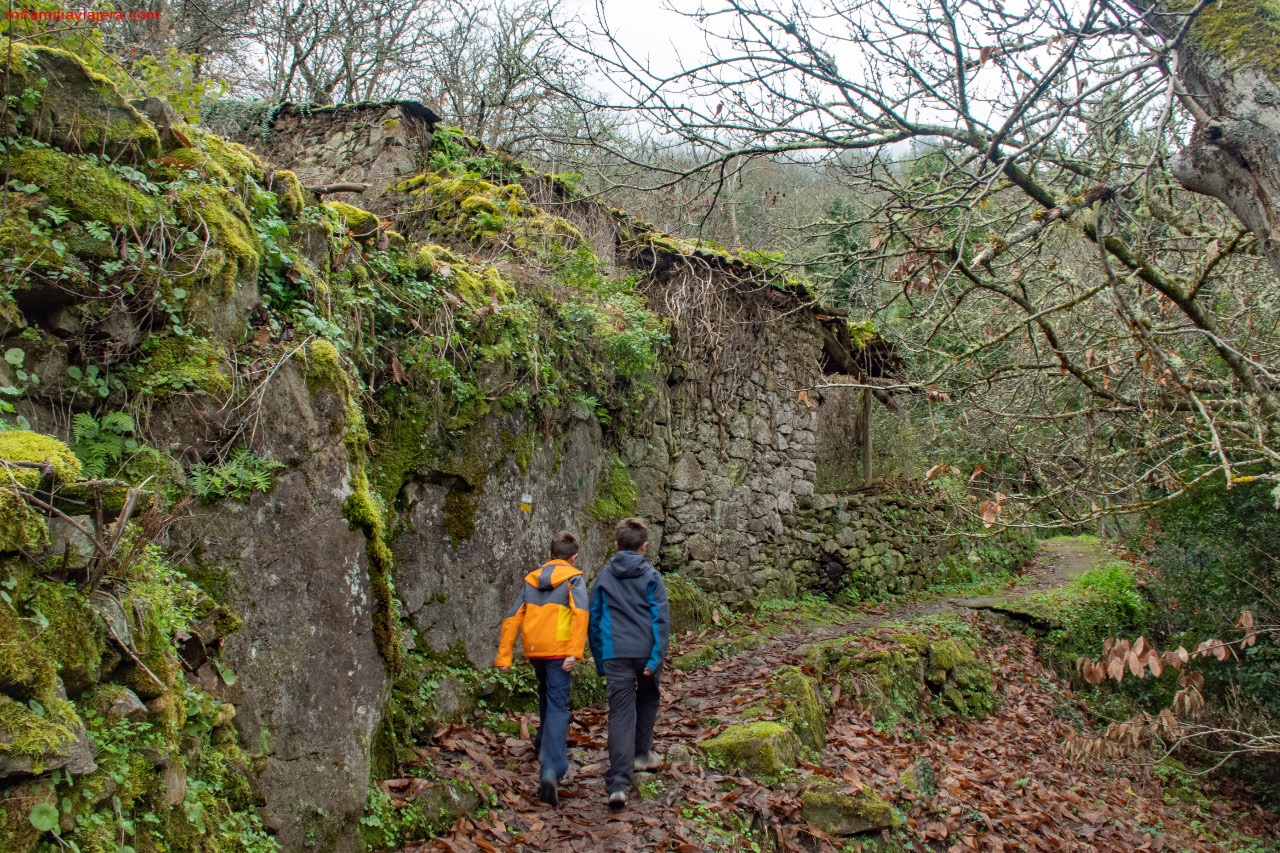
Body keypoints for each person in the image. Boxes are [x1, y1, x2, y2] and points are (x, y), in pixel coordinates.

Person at [495, 531, 589, 807]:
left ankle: (541, 743)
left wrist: (504, 657)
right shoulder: (574, 578)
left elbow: (512, 617)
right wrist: (574, 651)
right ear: (573, 558)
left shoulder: (531, 580)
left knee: (546, 696)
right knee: (558, 705)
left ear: (549, 555)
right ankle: (552, 768)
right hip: (560, 651)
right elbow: (581, 613)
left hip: (535, 650)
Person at [588, 517, 671, 809]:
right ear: (644, 547)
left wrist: (601, 660)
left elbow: (594, 621)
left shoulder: (604, 577)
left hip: (615, 652)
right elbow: (660, 620)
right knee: (649, 695)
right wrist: (656, 658)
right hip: (646, 652)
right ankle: (641, 754)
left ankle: (617, 785)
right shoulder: (652, 578)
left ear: (615, 545)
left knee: (620, 712)